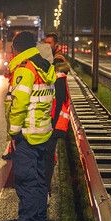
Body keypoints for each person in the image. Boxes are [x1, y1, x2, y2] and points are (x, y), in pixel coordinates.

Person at [0, 31, 56, 221]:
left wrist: (13, 132)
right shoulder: (44, 67)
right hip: (43, 132)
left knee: (26, 183)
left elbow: (19, 104)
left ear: (16, 49)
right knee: (40, 182)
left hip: (26, 135)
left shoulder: (25, 69)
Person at [43, 33, 72, 192]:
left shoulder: (59, 62)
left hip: (54, 118)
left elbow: (59, 96)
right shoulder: (47, 60)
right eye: (44, 43)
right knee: (46, 155)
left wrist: (54, 122)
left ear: (56, 45)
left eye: (49, 44)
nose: (47, 46)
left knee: (47, 156)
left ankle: (46, 190)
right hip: (46, 117)